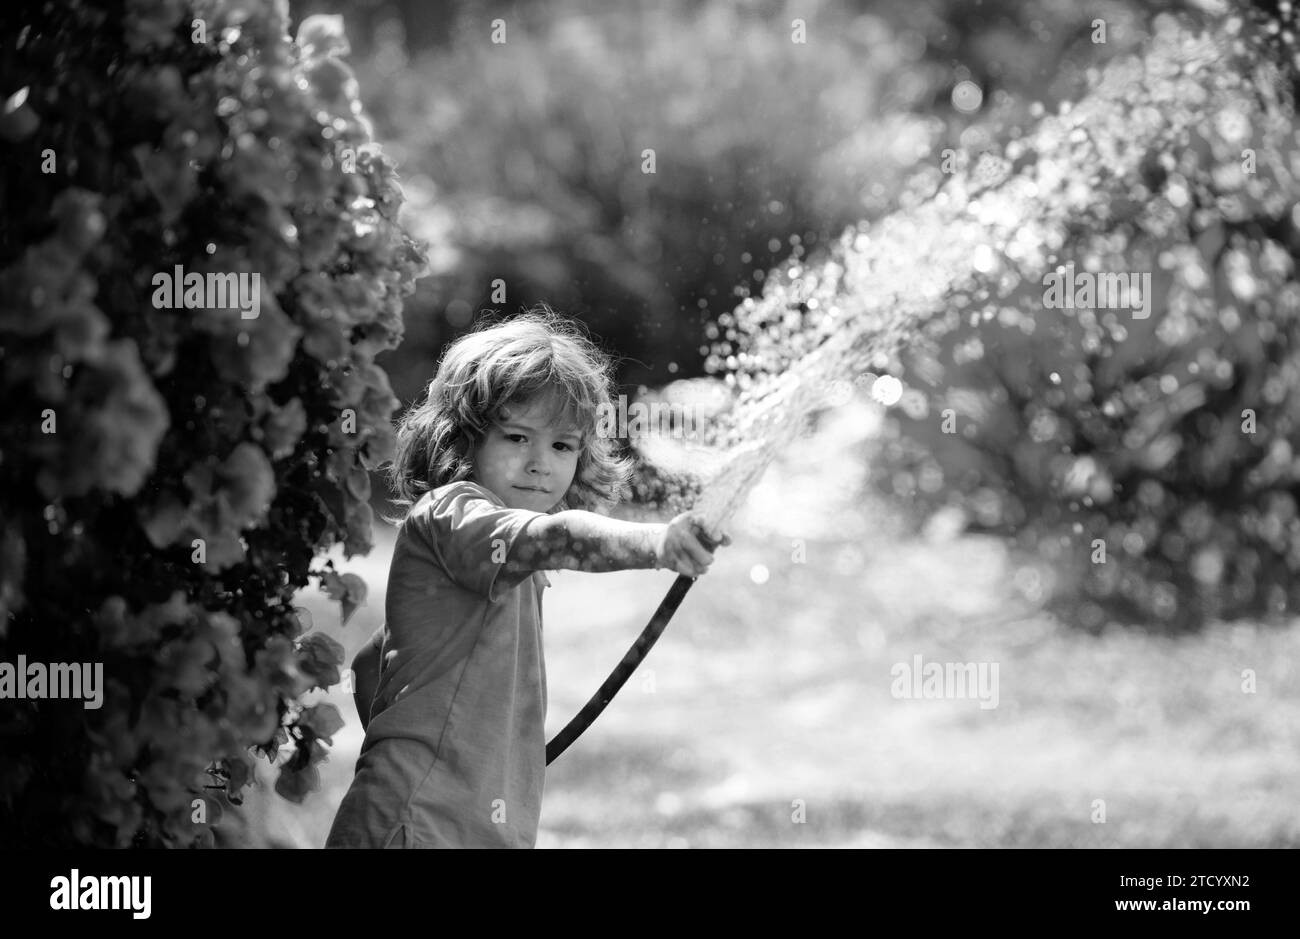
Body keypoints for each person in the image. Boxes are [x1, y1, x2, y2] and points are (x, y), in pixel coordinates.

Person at [326, 308, 729, 848]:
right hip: (416, 824)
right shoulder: (457, 513)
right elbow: (556, 536)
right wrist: (658, 544)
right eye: (517, 437)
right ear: (460, 440)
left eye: (563, 445)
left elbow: (370, 665)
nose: (541, 463)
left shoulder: (490, 559)